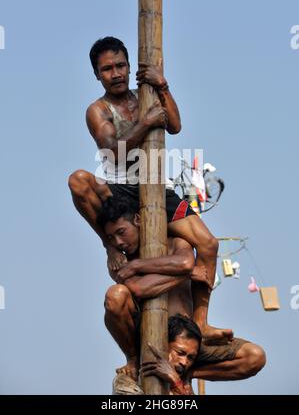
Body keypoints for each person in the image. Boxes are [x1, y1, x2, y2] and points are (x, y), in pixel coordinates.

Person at [68, 36, 230, 342]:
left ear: (129, 67)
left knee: (208, 244)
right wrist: (145, 123)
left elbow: (175, 126)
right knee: (77, 179)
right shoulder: (98, 110)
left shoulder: (145, 95)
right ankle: (110, 246)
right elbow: (112, 151)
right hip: (120, 188)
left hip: (159, 188)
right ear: (96, 74)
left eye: (120, 66)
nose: (115, 73)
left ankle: (201, 323)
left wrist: (163, 86)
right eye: (106, 69)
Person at [100, 196, 266, 384]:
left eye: (122, 232)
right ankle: (133, 359)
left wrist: (139, 265)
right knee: (115, 295)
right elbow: (138, 288)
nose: (119, 242)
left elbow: (185, 262)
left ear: (138, 220)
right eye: (111, 238)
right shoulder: (119, 260)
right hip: (147, 338)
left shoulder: (175, 241)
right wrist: (186, 274)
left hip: (188, 339)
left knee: (255, 356)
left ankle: (189, 373)